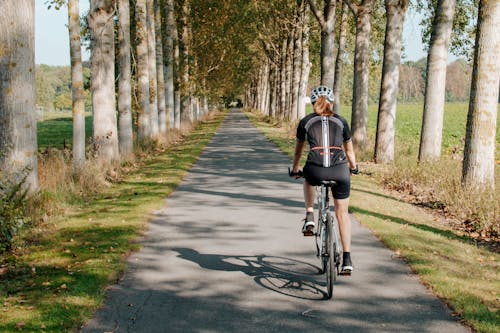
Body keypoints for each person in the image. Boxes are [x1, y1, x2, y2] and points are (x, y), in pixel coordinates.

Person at [290, 85, 358, 275]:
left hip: (316, 169)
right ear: (332, 102)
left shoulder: (306, 121)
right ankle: (347, 259)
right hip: (340, 171)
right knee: (342, 213)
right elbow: (350, 152)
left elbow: (298, 151)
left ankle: (310, 215)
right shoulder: (341, 121)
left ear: (313, 103)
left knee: (308, 178)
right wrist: (354, 167)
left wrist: (296, 169)